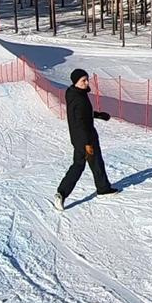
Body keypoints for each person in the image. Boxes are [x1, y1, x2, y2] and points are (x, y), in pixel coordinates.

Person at [54, 68, 121, 210]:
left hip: (82, 138)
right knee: (83, 165)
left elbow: (84, 114)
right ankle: (63, 193)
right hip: (85, 139)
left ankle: (100, 188)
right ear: (76, 82)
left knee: (90, 163)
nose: (86, 82)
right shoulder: (78, 98)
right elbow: (79, 122)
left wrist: (98, 115)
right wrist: (86, 144)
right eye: (83, 80)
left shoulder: (76, 93)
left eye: (86, 79)